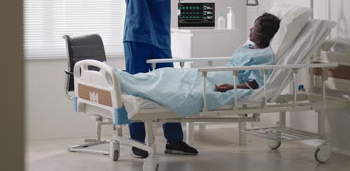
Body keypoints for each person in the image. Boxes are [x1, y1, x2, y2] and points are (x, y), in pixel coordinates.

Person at [119, 0, 194, 158]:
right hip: (137, 36)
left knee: (168, 87)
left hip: (161, 38)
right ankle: (137, 141)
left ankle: (174, 141)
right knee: (137, 89)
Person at [117, 13, 281, 117]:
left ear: (264, 34)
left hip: (216, 84)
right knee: (164, 74)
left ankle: (122, 81)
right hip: (208, 75)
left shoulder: (265, 55)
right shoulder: (247, 47)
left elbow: (255, 82)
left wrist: (230, 87)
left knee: (169, 86)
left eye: (255, 27)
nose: (251, 29)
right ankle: (123, 79)